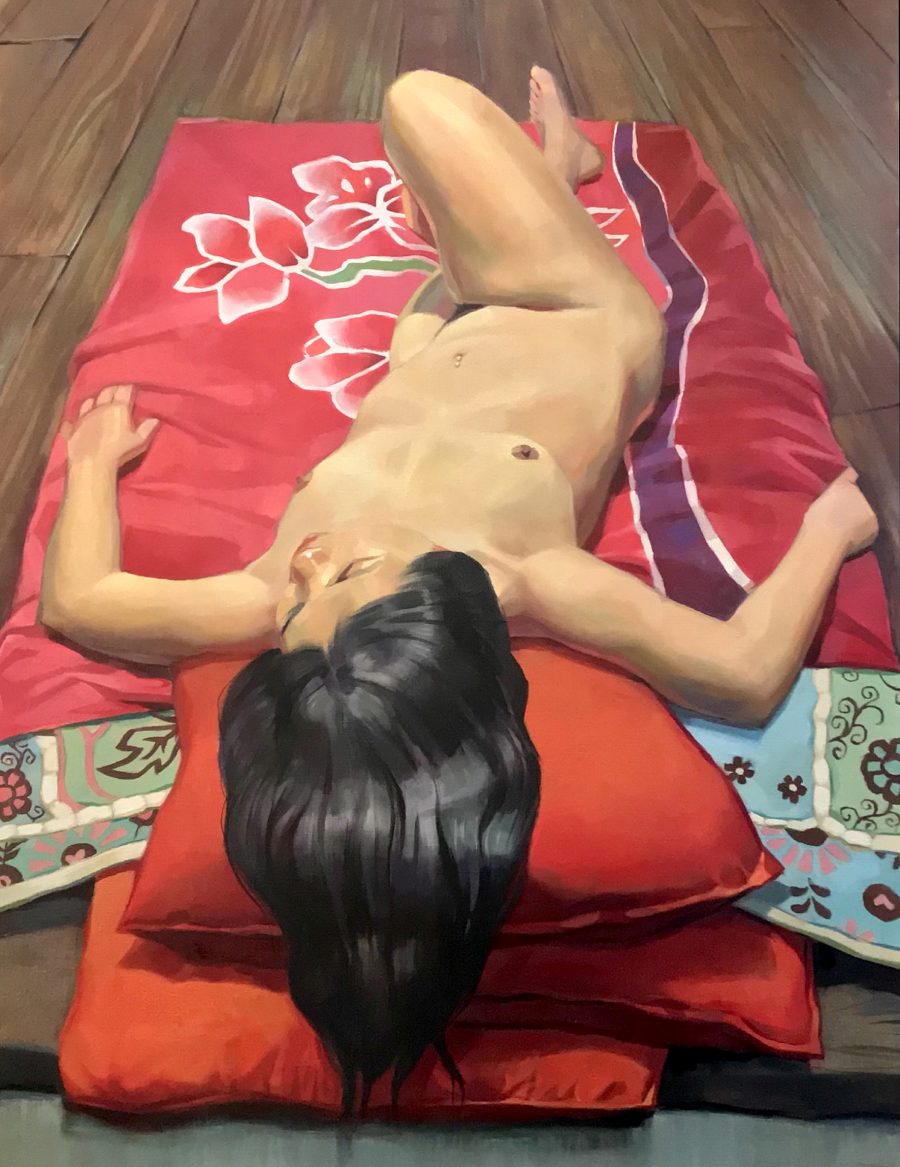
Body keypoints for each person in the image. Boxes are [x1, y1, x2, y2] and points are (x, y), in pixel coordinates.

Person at [39, 68, 878, 1115]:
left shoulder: (267, 604)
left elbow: (80, 602)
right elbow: (744, 674)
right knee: (420, 104)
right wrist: (829, 533)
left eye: (301, 594)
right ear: (431, 609)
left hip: (440, 336)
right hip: (577, 310)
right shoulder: (520, 576)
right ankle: (556, 182)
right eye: (346, 572)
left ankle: (541, 187)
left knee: (435, 176)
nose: (308, 562)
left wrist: (91, 468)